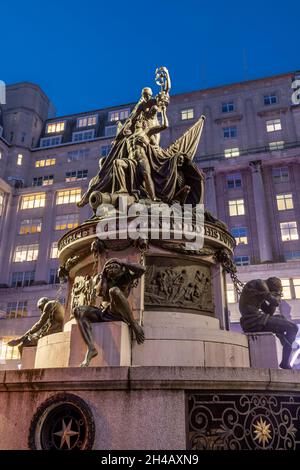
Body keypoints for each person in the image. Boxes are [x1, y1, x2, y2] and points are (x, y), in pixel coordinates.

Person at [73, 258, 145, 367]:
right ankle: (91, 348)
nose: (110, 270)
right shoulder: (105, 279)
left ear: (120, 268)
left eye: (113, 267)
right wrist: (103, 275)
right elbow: (99, 293)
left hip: (117, 312)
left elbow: (142, 269)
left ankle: (133, 324)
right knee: (78, 311)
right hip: (103, 311)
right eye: (108, 268)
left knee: (114, 291)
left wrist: (124, 263)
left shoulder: (126, 276)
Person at [239, 277, 298, 369]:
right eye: (276, 290)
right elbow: (275, 301)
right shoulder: (260, 284)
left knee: (281, 318)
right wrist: (278, 294)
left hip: (256, 319)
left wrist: (275, 296)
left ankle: (286, 344)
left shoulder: (259, 291)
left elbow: (269, 312)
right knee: (293, 328)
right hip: (253, 321)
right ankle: (286, 352)